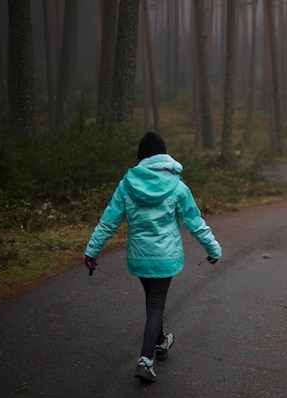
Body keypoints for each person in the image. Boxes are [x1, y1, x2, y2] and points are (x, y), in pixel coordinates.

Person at [83, 131, 223, 383]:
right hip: (165, 258)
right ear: (163, 155)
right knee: (156, 305)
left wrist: (92, 251)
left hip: (139, 258)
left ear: (141, 156)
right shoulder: (178, 187)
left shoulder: (127, 184)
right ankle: (145, 359)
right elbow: (195, 222)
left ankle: (160, 341)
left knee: (152, 302)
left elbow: (108, 222)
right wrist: (213, 249)